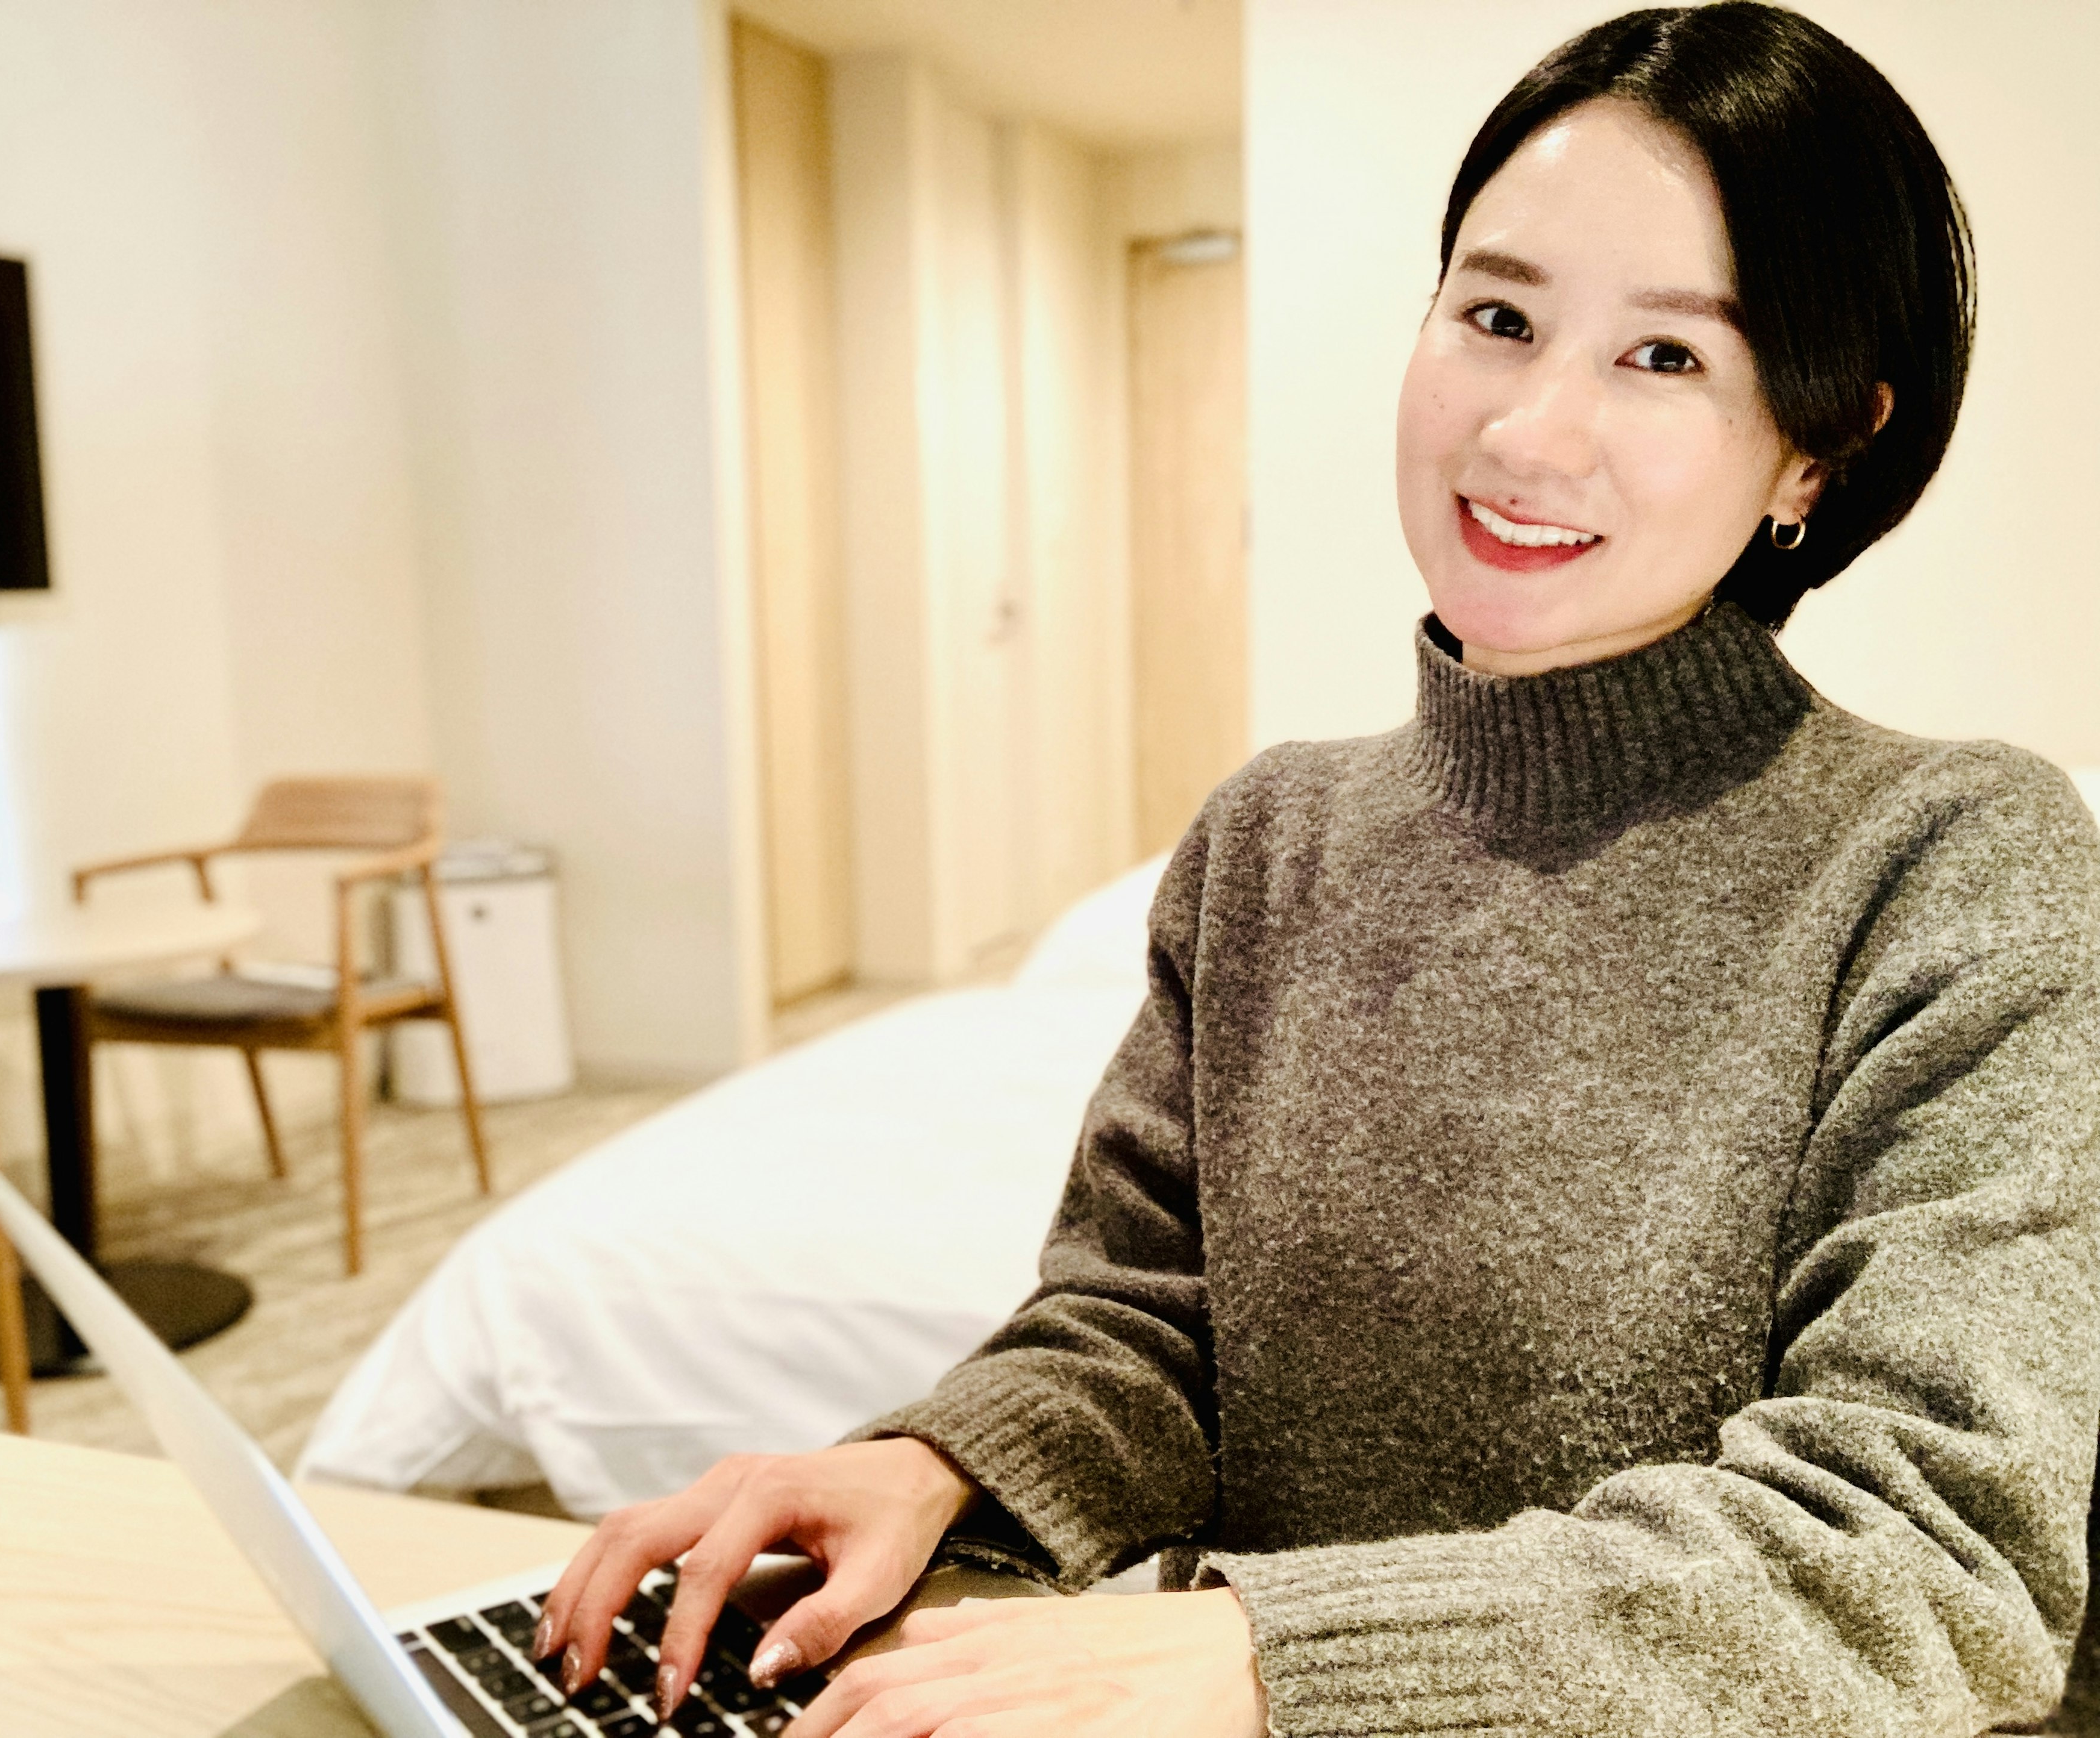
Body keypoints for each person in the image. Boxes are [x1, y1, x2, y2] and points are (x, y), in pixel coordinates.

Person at [537, 5, 2100, 1733]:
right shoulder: (1268, 837)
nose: (1525, 433)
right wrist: (939, 1463)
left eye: (1664, 359)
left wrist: (1267, 1654)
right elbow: (1149, 1329)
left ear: (1821, 443)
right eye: (1497, 317)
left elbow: (1924, 1556)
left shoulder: (1957, 862)